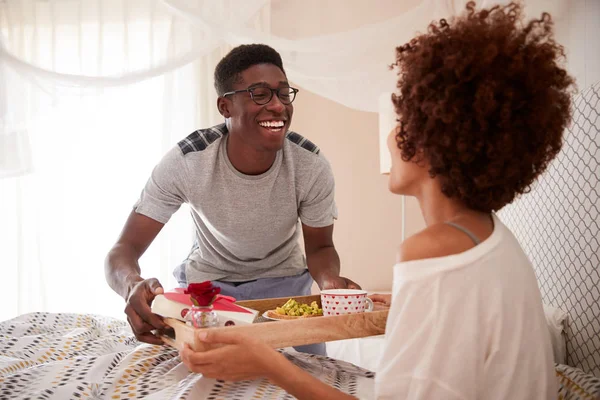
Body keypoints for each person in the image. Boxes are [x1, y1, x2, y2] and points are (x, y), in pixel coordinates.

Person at [178, 2, 574, 399]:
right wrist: (408, 302)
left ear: (431, 140)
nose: (389, 137)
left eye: (400, 122)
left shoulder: (433, 251)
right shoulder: (488, 236)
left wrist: (265, 358)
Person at [105, 44, 359, 355]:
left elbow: (320, 248)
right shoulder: (187, 161)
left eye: (283, 93)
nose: (278, 106)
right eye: (260, 94)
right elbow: (123, 250)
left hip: (287, 291)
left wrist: (329, 280)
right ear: (225, 107)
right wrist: (132, 286)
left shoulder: (311, 165)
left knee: (306, 380)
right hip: (207, 294)